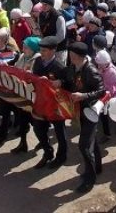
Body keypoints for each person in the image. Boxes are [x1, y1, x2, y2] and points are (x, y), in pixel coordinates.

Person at [68, 41, 106, 194]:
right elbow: (69, 81)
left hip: (90, 111)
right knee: (91, 139)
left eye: (72, 55)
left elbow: (102, 91)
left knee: (84, 145)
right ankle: (97, 167)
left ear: (79, 56)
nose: (70, 57)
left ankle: (90, 180)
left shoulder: (90, 70)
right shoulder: (73, 67)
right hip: (80, 110)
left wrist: (83, 96)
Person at [31, 36, 69, 170]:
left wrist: (61, 83)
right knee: (38, 128)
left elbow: (69, 85)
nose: (42, 52)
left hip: (55, 105)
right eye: (41, 50)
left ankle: (61, 156)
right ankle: (48, 151)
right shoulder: (37, 62)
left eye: (45, 50)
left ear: (53, 51)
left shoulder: (60, 67)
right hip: (41, 102)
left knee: (60, 132)